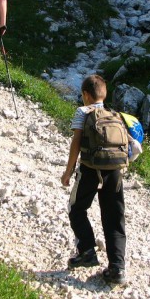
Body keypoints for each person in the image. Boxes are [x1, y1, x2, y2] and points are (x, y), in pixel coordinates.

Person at [61, 74, 127, 285]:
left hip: (90, 169)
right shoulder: (114, 114)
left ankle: (87, 250)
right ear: (104, 94)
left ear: (86, 95)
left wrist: (68, 171)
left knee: (76, 208)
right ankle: (117, 269)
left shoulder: (83, 111)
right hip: (114, 171)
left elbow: (76, 143)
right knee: (114, 217)